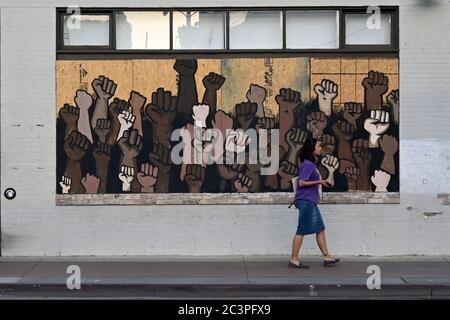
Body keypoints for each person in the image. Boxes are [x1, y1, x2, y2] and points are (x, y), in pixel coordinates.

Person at [288, 137, 340, 269]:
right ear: (311, 149)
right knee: (301, 230)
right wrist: (319, 182)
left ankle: (327, 256)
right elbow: (301, 182)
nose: (320, 148)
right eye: (318, 146)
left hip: (308, 201)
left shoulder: (308, 164)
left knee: (320, 228)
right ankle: (294, 259)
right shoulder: (308, 165)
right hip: (306, 202)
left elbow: (301, 184)